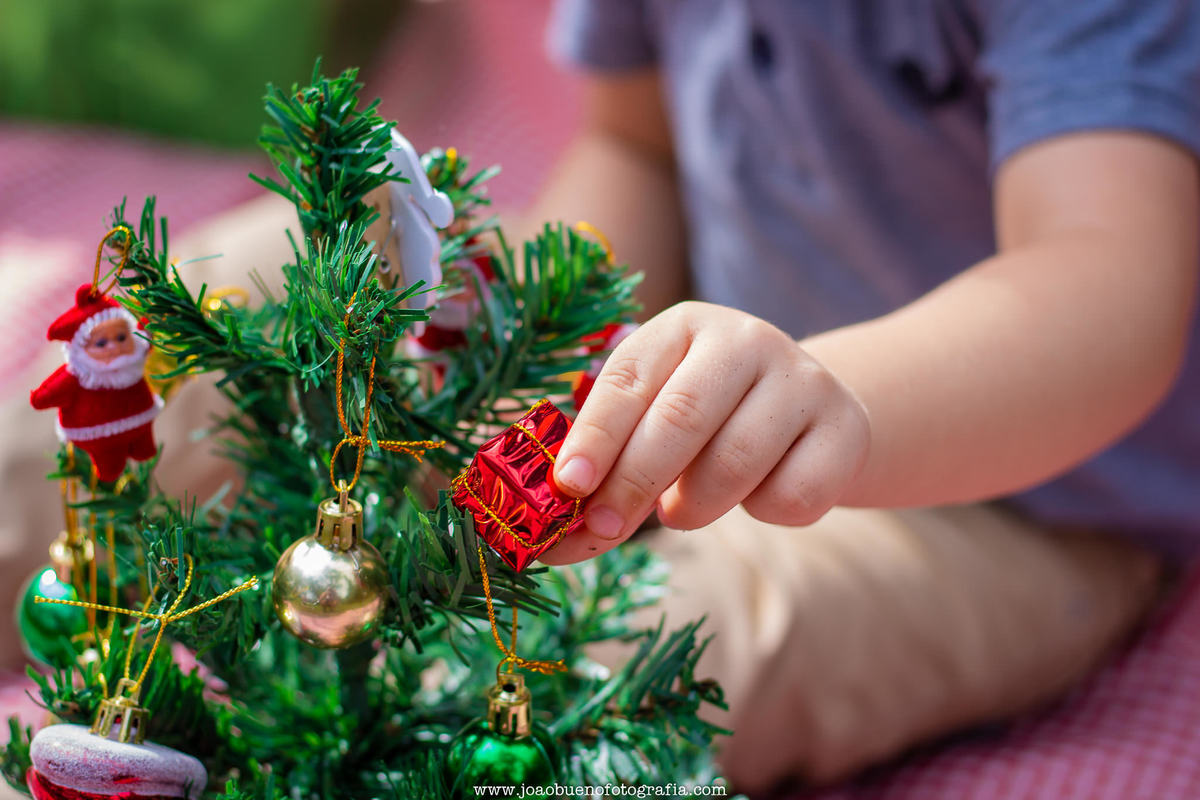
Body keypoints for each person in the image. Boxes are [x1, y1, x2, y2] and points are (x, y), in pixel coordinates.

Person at [533, 0, 1200, 792]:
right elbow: (636, 147)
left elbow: (1105, 288)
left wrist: (839, 399)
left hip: (1031, 501)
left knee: (590, 674)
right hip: (715, 408)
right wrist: (541, 359)